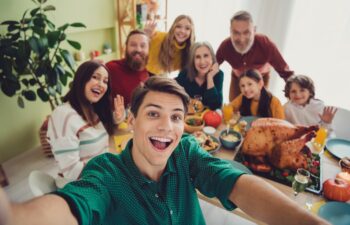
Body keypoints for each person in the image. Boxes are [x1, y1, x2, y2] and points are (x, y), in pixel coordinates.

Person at [0, 77, 330, 225]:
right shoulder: (105, 174)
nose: (166, 127)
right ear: (132, 121)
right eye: (153, 113)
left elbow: (233, 183)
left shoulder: (185, 152)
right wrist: (13, 217)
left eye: (176, 117)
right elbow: (74, 206)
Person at [47, 60, 125, 187]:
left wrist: (117, 119)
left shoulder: (92, 109)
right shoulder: (63, 115)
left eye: (105, 81)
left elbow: (99, 133)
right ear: (81, 79)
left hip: (98, 177)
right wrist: (108, 174)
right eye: (95, 77)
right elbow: (71, 171)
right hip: (79, 188)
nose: (101, 84)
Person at [216, 10, 294, 101]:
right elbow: (211, 67)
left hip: (261, 77)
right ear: (230, 31)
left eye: (246, 32)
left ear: (254, 30)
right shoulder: (225, 46)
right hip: (238, 77)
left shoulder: (266, 44)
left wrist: (296, 93)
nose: (241, 39)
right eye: (236, 33)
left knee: (259, 108)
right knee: (234, 109)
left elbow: (285, 72)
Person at [106, 29, 150, 106]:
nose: (138, 49)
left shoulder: (147, 74)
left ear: (148, 49)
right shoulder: (111, 68)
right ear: (126, 47)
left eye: (143, 46)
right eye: (133, 45)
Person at [175, 41, 223, 110]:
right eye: (197, 57)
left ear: (212, 58)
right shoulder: (184, 74)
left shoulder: (218, 75)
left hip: (209, 118)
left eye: (206, 56)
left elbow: (216, 106)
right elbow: (177, 98)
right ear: (192, 60)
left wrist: (210, 78)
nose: (202, 62)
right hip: (188, 117)